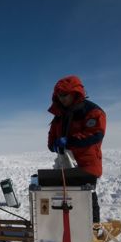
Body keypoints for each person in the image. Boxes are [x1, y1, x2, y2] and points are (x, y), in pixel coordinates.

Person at [47, 75, 106, 224]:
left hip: (86, 163)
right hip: (64, 163)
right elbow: (51, 136)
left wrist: (69, 141)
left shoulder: (93, 112)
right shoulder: (59, 115)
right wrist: (53, 144)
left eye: (64, 95)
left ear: (75, 93)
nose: (61, 99)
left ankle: (93, 228)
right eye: (59, 95)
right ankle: (69, 228)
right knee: (65, 196)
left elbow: (95, 135)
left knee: (86, 195)